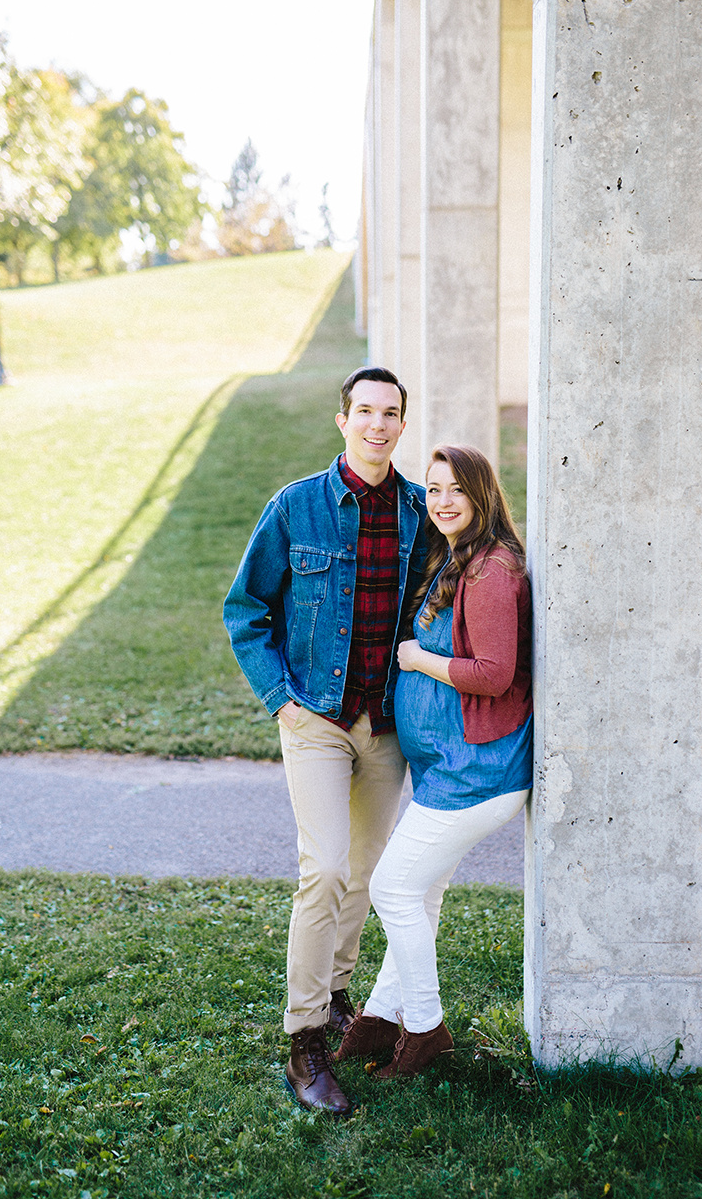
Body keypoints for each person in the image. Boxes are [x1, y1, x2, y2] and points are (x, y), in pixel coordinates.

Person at [223, 366, 426, 1116]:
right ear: (342, 419)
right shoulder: (296, 508)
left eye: (391, 413)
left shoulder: (417, 513)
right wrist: (281, 701)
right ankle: (304, 1037)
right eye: (365, 411)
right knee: (325, 869)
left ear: (403, 425)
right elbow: (245, 608)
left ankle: (338, 993)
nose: (378, 424)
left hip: (385, 725)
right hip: (314, 719)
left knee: (364, 871)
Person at [335, 444, 533, 1078]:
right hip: (449, 770)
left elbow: (496, 674)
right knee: (420, 892)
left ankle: (425, 1029)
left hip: (479, 771)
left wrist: (418, 660)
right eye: (435, 488)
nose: (443, 501)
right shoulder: (459, 559)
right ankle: (379, 1018)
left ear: (482, 496)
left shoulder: (492, 571)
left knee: (393, 887)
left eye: (457, 490)